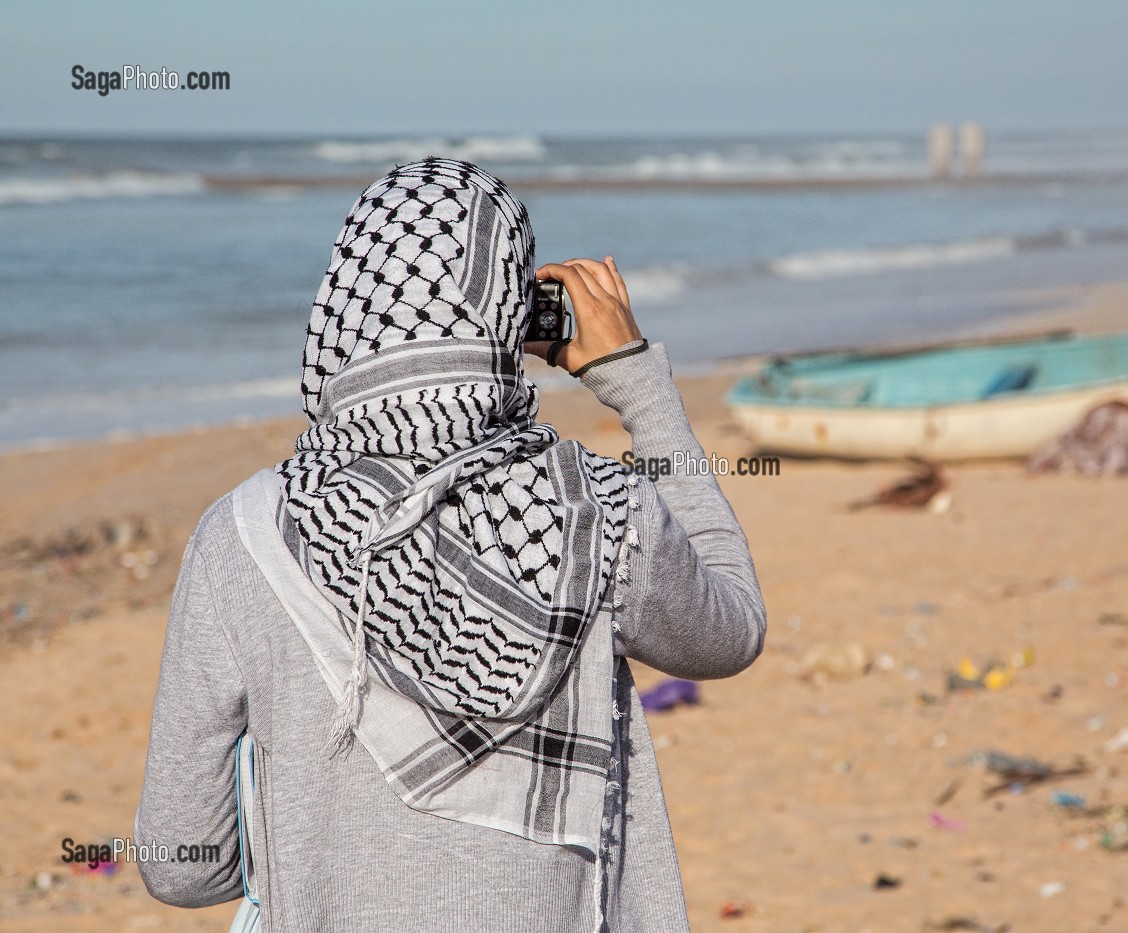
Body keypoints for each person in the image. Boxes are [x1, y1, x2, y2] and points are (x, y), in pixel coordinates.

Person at [135, 159, 766, 932]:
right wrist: (639, 383)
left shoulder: (244, 533)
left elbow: (179, 863)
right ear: (509, 317)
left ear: (343, 312)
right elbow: (733, 627)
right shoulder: (601, 511)